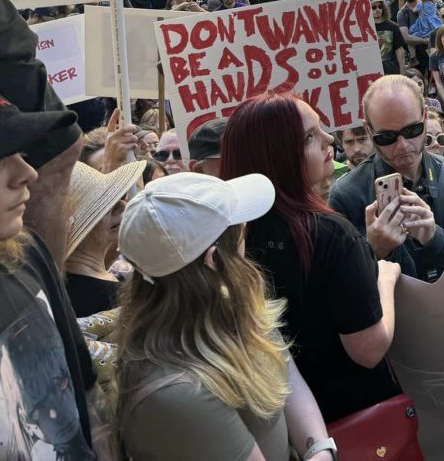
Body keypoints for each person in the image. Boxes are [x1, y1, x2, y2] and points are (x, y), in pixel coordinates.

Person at [114, 173, 335, 461]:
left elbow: (287, 377)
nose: (246, 231)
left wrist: (320, 449)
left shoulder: (231, 307)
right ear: (214, 260)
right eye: (238, 228)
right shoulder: (176, 393)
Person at [220, 93, 402, 420]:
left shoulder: (232, 237)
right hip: (355, 420)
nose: (328, 139)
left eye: (320, 129)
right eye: (309, 137)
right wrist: (385, 279)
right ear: (275, 156)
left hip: (283, 420)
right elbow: (369, 350)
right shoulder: (331, 234)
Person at [0, 99, 99, 459]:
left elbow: (83, 388)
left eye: (20, 152)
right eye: (0, 157)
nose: (27, 173)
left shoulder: (26, 252)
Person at [331, 76, 444, 283]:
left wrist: (435, 237)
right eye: (386, 137)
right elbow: (340, 285)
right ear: (369, 130)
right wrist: (374, 251)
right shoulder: (346, 195)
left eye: (412, 130)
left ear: (424, 117)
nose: (403, 146)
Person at [64, 159, 147, 316]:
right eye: (108, 205)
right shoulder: (109, 297)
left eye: (120, 199)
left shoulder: (58, 287)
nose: (122, 206)